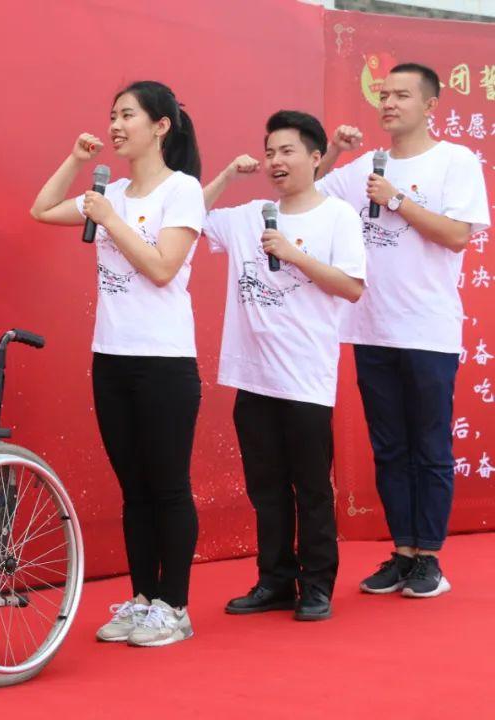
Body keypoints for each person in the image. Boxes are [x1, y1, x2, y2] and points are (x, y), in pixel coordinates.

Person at [30, 80, 204, 647]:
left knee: (167, 485)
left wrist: (110, 217)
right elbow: (41, 210)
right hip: (112, 357)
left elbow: (162, 268)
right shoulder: (113, 191)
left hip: (164, 361)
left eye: (128, 115)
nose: (115, 126)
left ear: (160, 126)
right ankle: (143, 599)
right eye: (112, 116)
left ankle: (174, 606)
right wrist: (75, 161)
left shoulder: (182, 190)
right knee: (134, 488)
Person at [317, 63, 490, 598]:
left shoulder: (455, 160)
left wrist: (395, 199)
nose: (388, 103)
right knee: (389, 447)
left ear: (431, 105)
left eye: (401, 95)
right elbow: (307, 194)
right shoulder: (366, 165)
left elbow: (457, 235)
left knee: (429, 446)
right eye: (384, 95)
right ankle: (403, 552)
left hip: (428, 330)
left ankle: (429, 558)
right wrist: (334, 151)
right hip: (372, 327)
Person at [202, 111, 366, 621]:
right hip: (253, 378)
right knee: (266, 489)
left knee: (311, 488)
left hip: (306, 380)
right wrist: (227, 175)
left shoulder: (337, 216)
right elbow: (185, 217)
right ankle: (274, 579)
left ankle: (316, 584)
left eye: (287, 151)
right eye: (270, 151)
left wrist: (295, 255)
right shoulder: (250, 215)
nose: (276, 160)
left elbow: (352, 286)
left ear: (316, 158)